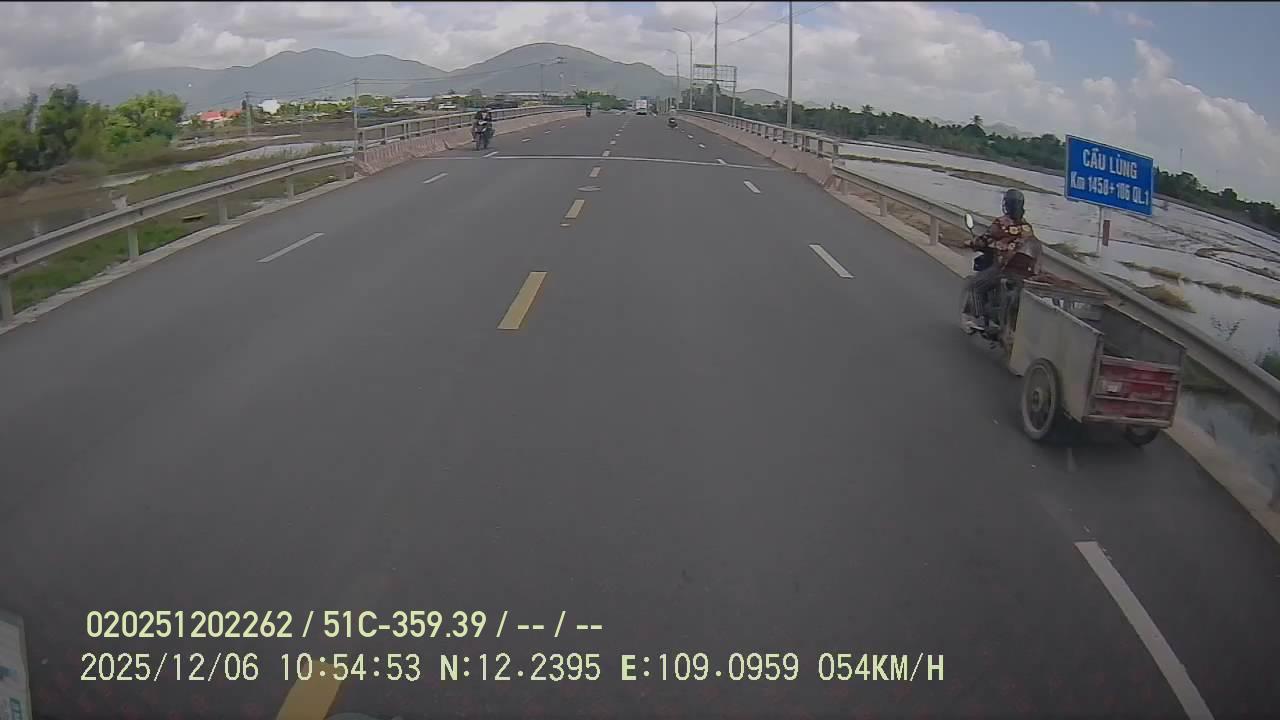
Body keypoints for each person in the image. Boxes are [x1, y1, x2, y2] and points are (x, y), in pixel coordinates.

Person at [961, 188, 1040, 331]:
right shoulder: (1027, 227)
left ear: (1007, 204)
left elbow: (984, 240)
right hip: (1024, 273)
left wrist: (971, 243)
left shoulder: (1002, 223)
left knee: (975, 286)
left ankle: (976, 319)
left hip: (1004, 268)